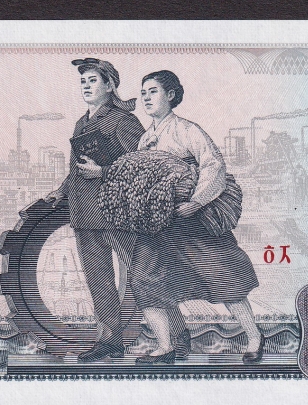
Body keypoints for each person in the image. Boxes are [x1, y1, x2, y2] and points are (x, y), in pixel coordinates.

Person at [127, 70, 263, 364]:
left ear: (171, 95)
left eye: (153, 91)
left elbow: (213, 166)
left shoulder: (187, 130)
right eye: (143, 93)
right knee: (144, 280)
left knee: (224, 278)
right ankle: (165, 347)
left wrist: (196, 201)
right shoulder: (146, 138)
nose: (146, 98)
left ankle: (254, 337)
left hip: (193, 221)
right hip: (158, 226)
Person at [45, 58, 144, 362]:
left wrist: (103, 172)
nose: (86, 87)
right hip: (86, 214)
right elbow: (76, 170)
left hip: (118, 214)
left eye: (93, 81)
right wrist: (61, 191)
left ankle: (177, 337)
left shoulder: (123, 121)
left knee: (144, 276)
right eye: (83, 82)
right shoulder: (81, 122)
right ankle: (111, 341)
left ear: (110, 85)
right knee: (99, 282)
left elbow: (143, 165)